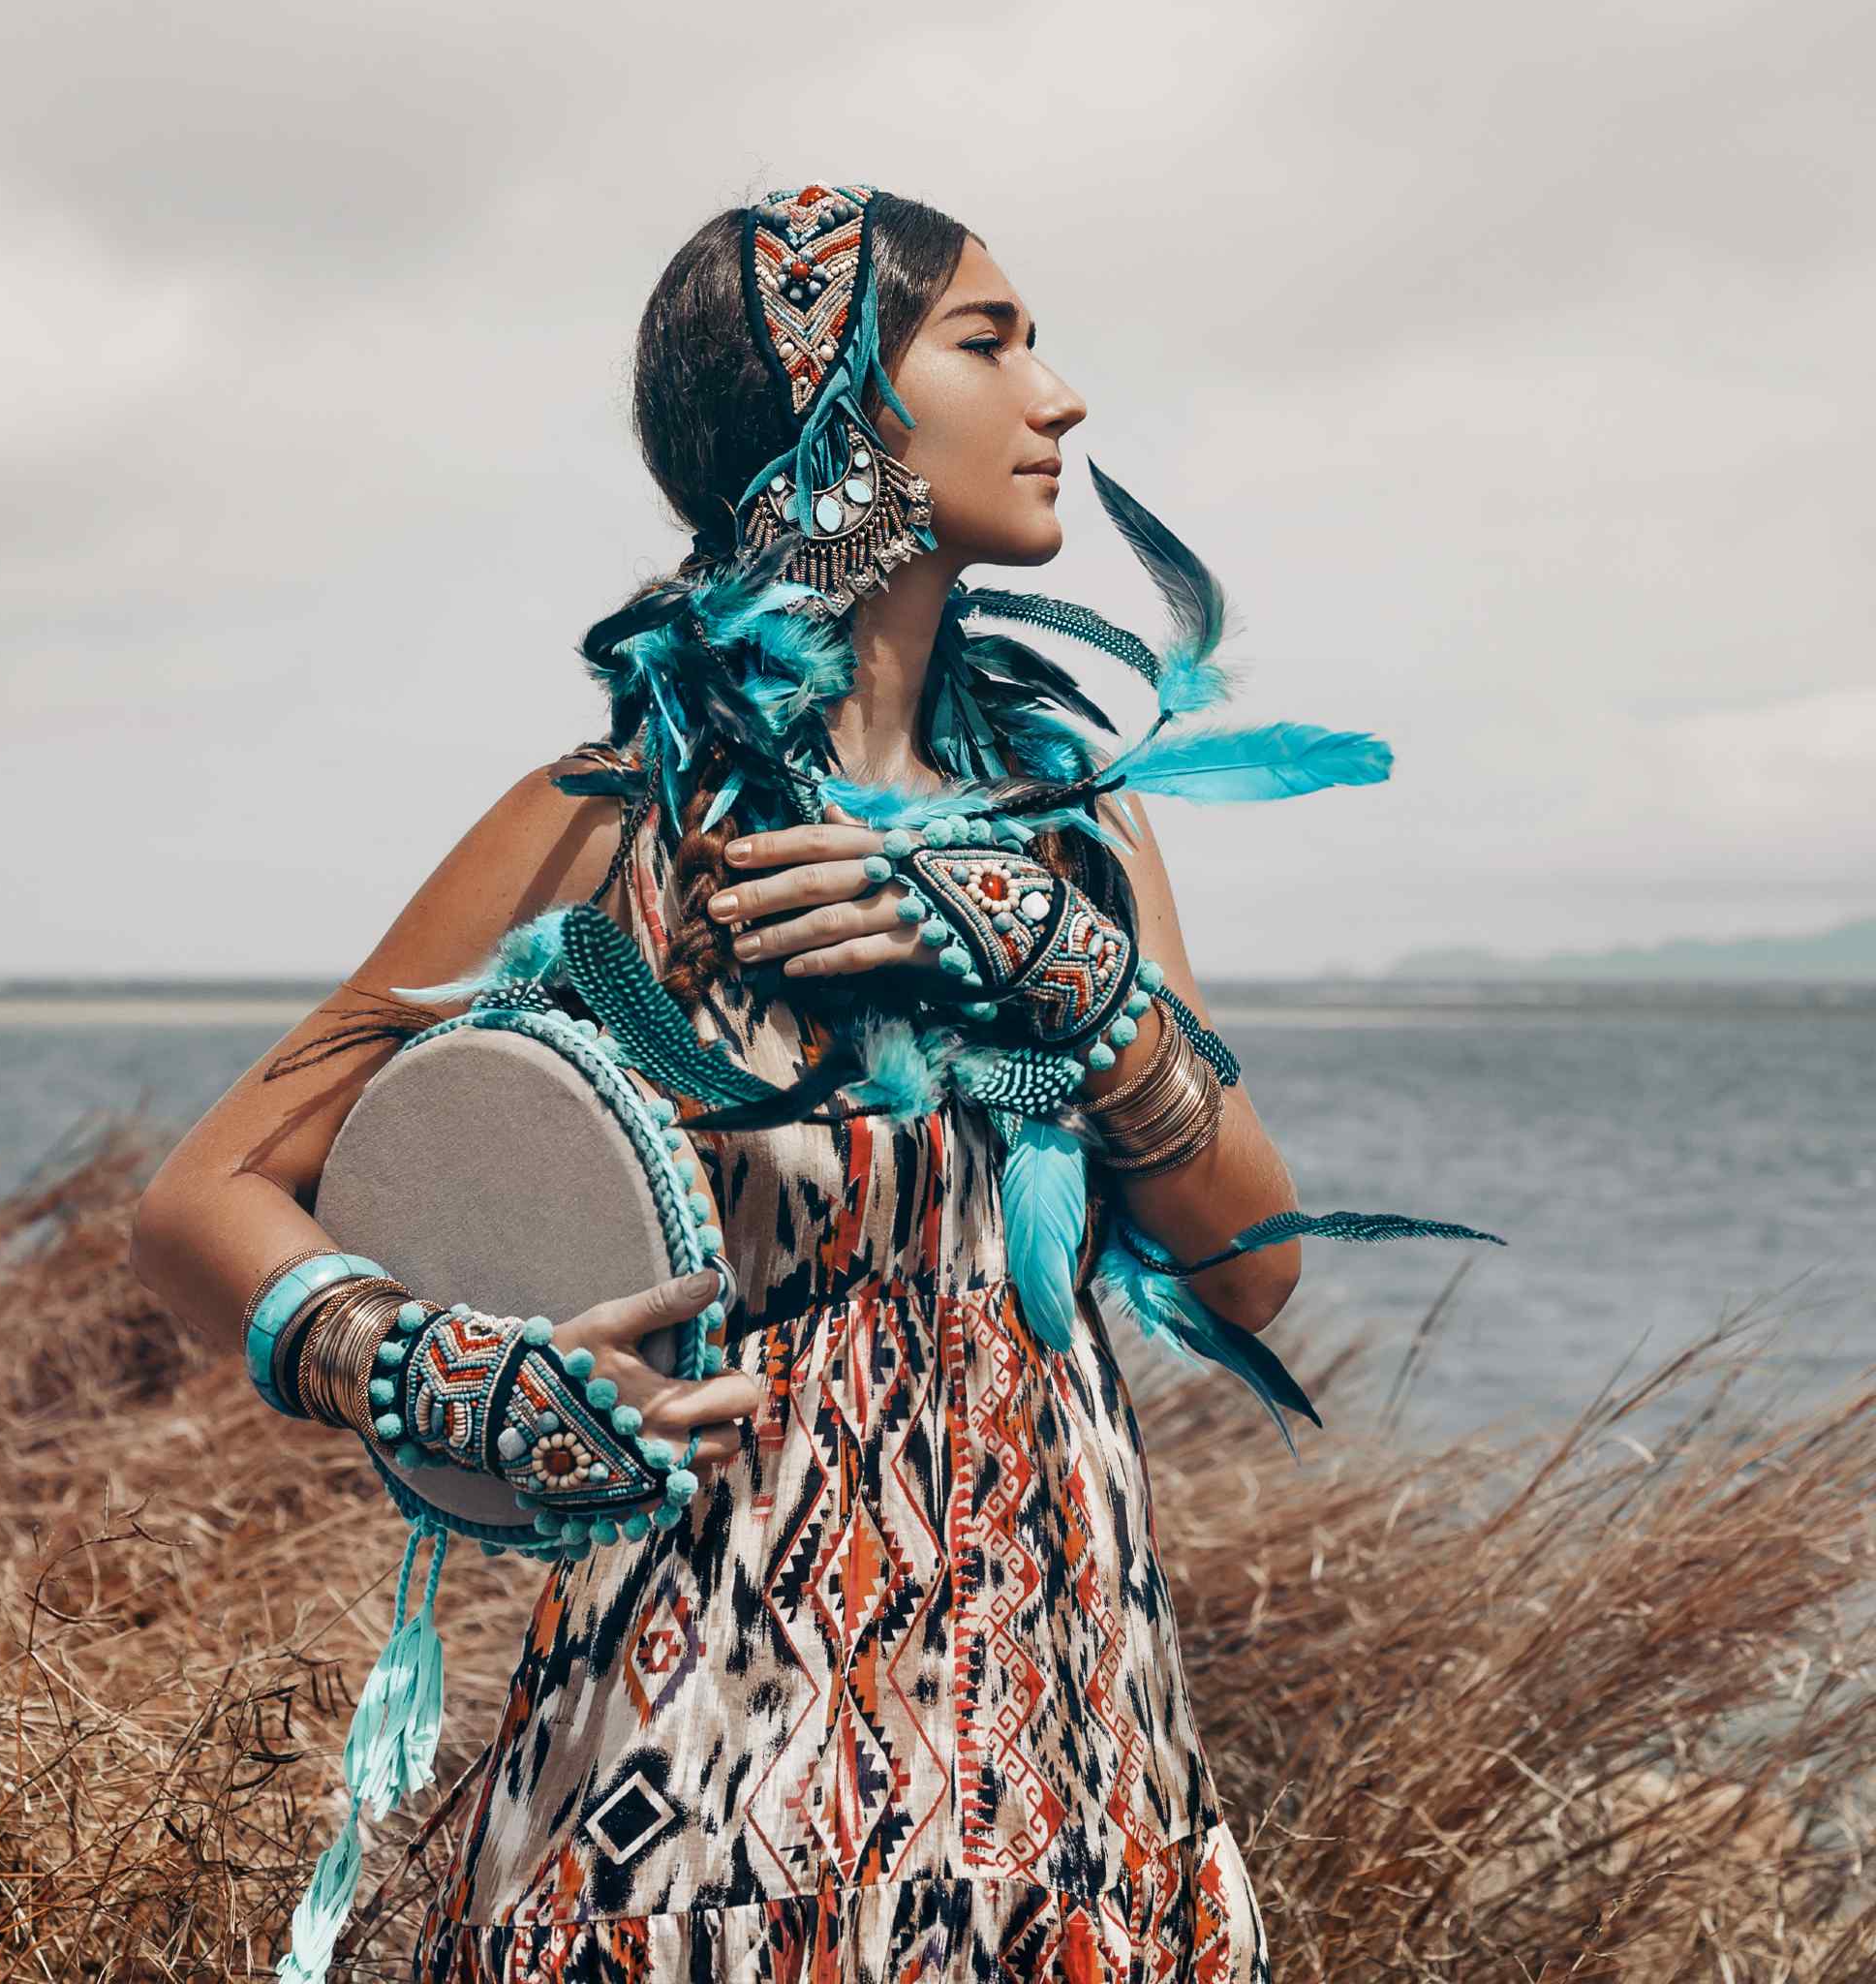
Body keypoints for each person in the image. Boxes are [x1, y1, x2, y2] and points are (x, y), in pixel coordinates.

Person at [136, 181, 1498, 1984]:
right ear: (843, 403)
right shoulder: (609, 825)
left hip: (1067, 1761)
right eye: (989, 342)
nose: (1060, 399)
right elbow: (200, 1197)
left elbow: (1254, 1272)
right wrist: (445, 1374)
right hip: (704, 1773)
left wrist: (1049, 960)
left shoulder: (1077, 827)